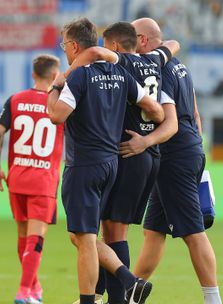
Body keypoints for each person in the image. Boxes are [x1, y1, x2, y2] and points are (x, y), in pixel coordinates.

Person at [46, 18, 164, 304]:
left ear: (74, 46)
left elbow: (56, 116)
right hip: (111, 164)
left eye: (64, 45)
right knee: (85, 236)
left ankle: (101, 295)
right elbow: (156, 110)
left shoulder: (78, 77)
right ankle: (126, 284)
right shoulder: (120, 74)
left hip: (84, 165)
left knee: (85, 239)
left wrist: (54, 87)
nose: (64, 51)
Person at [130, 18, 223, 304]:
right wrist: (195, 149)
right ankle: (131, 294)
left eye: (133, 39)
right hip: (184, 150)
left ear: (144, 40)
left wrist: (145, 141)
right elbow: (195, 113)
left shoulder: (157, 69)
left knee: (193, 232)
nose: (131, 46)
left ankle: (213, 300)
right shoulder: (181, 67)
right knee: (153, 231)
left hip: (174, 155)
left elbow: (167, 119)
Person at [0, 55, 64, 304]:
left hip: (18, 178)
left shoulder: (15, 100)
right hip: (43, 179)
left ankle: (34, 289)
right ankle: (24, 292)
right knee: (36, 238)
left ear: (33, 74)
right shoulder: (60, 104)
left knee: (23, 238)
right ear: (56, 76)